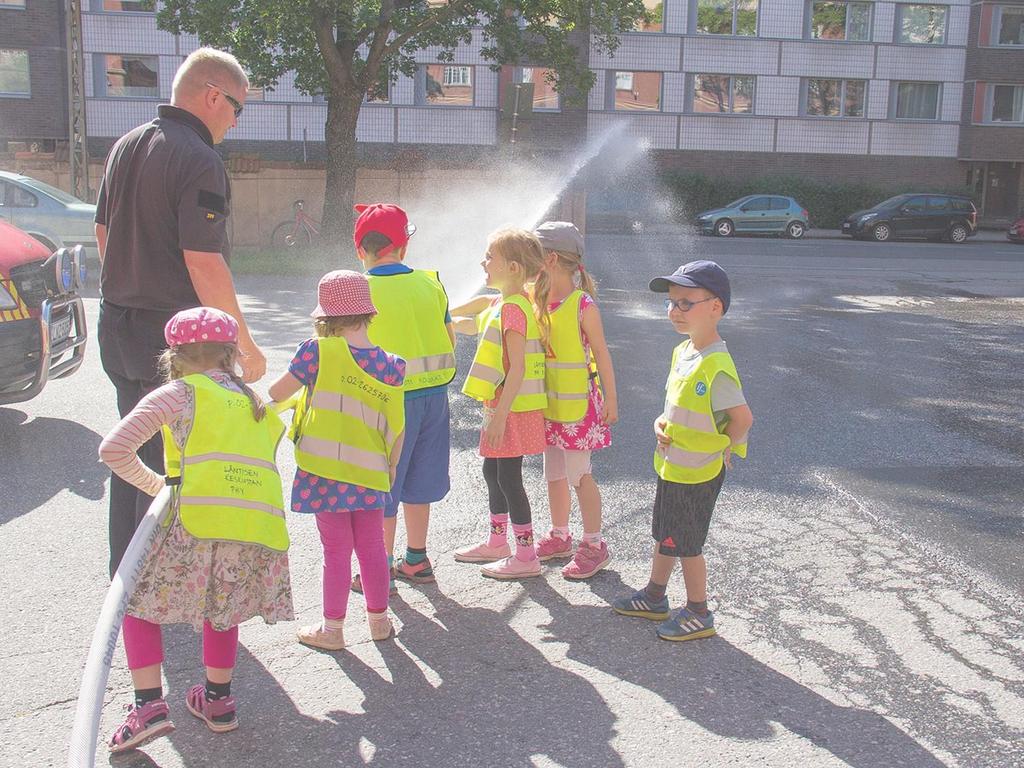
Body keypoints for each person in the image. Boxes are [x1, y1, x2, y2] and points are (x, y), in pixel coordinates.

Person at [94, 47, 267, 579]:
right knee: (181, 457)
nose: (236, 121)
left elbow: (103, 231)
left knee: (135, 446)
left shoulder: (126, 144)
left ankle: (128, 572)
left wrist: (131, 282)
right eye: (237, 107)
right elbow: (203, 259)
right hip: (172, 339)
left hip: (118, 323)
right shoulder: (198, 157)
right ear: (213, 95)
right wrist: (243, 341)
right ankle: (166, 577)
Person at [98, 307, 292, 753]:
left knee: (138, 600)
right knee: (220, 609)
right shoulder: (255, 402)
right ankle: (219, 702)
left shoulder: (177, 394)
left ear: (175, 357)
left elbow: (114, 449)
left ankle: (148, 706)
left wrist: (154, 487)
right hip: (252, 526)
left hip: (193, 519)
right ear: (231, 356)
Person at [612, 261, 753, 641]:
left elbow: (741, 419)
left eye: (686, 303)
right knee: (666, 534)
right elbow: (677, 403)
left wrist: (726, 446)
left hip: (698, 472)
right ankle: (656, 597)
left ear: (715, 307)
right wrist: (662, 421)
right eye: (671, 303)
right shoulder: (683, 351)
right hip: (674, 466)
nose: (675, 311)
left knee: (688, 543)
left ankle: (698, 611)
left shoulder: (716, 365)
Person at [269, 270, 405, 650]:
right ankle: (379, 622)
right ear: (368, 315)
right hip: (372, 471)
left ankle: (332, 629)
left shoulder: (316, 352)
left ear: (325, 319)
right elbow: (397, 425)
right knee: (374, 548)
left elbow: (277, 392)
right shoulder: (393, 365)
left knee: (336, 552)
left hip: (324, 471)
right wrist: (390, 466)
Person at [347, 203, 455, 593]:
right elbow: (450, 337)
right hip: (433, 397)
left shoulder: (359, 291)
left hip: (384, 402)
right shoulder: (431, 283)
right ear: (403, 247)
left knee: (383, 486)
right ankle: (417, 558)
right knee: (419, 481)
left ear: (361, 250)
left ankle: (380, 567)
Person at [451, 228, 547, 580]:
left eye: (490, 257)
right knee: (492, 472)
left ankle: (525, 554)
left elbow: (518, 367)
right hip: (503, 406)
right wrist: (441, 313)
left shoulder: (514, 310)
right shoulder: (502, 304)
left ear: (514, 268)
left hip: (513, 410)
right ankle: (497, 542)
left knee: (509, 477)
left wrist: (499, 417)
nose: (483, 262)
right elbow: (471, 319)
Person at [531, 222, 618, 580]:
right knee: (553, 474)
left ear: (550, 259)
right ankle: (559, 534)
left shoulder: (582, 305)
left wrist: (611, 399)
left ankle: (594, 545)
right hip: (550, 408)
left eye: (532, 256)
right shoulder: (536, 300)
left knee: (579, 475)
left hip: (578, 410)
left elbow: (602, 354)